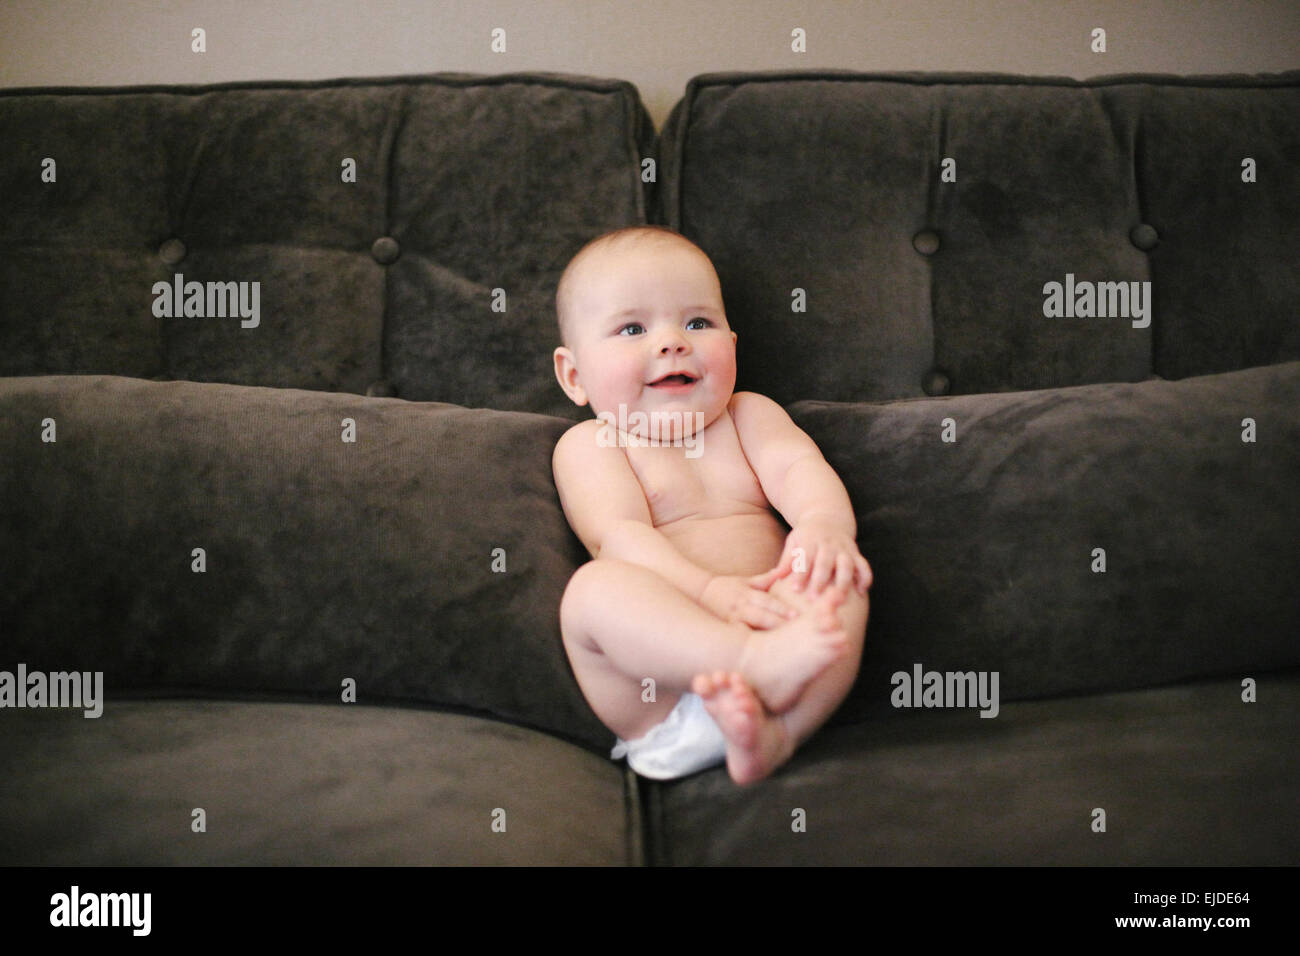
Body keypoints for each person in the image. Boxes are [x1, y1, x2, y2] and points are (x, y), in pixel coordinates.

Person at [551, 225, 871, 785]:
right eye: (632, 328)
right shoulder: (594, 443)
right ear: (575, 376)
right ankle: (748, 665)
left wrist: (824, 526)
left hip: (785, 652)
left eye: (698, 323)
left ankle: (779, 734)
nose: (673, 341)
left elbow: (801, 471)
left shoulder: (748, 415)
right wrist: (712, 594)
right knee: (591, 593)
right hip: (661, 692)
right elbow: (619, 537)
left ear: (733, 346)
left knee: (837, 576)